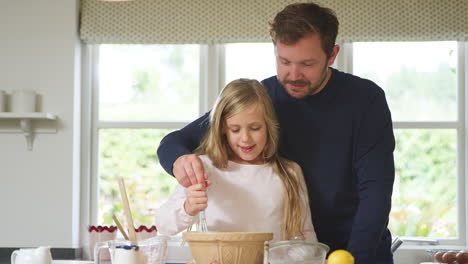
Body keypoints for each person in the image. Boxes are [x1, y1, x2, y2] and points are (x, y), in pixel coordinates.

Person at [157, 2, 395, 264]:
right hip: (286, 256)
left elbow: (375, 192)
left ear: (332, 55)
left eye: (307, 63)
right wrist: (180, 161)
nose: (293, 75)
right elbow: (174, 142)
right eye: (284, 61)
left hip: (355, 249)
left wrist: (355, 258)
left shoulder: (364, 100)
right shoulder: (261, 99)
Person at [155, 78, 317, 242]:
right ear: (223, 129)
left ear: (269, 126)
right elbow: (163, 225)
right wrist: (187, 208)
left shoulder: (289, 172)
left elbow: (305, 235)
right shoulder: (203, 167)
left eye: (255, 128)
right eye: (235, 129)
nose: (245, 138)